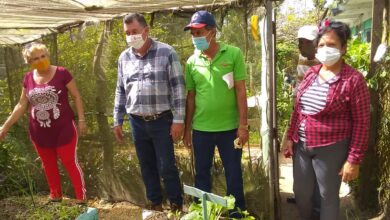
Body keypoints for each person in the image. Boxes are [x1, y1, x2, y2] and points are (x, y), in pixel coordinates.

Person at [283, 20, 370, 220]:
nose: (325, 49)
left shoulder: (353, 80)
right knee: (301, 193)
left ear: (343, 48)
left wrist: (353, 160)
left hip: (332, 147)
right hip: (302, 145)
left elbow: (362, 123)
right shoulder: (311, 74)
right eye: (321, 45)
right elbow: (299, 109)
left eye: (331, 45)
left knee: (327, 196)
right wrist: (290, 136)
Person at [113, 13, 186, 212]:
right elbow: (120, 89)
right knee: (146, 165)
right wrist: (117, 120)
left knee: (167, 166)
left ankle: (176, 205)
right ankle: (155, 205)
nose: (130, 36)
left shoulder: (166, 52)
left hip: (162, 120)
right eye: (127, 33)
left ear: (146, 31)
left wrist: (178, 120)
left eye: (134, 32)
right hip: (136, 121)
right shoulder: (124, 57)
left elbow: (178, 88)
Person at [0, 42, 87, 203]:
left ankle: (81, 198)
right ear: (29, 62)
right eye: (35, 59)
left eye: (43, 56)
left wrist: (81, 120)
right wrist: (5, 127)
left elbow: (76, 96)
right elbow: (21, 104)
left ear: (48, 56)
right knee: (48, 164)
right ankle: (55, 196)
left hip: (64, 128)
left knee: (69, 161)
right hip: (39, 131)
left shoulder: (62, 73)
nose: (40, 60)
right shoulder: (27, 78)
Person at [183, 11, 248, 215]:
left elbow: (240, 90)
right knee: (202, 175)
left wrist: (243, 125)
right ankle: (202, 215)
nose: (195, 37)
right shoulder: (191, 62)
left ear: (212, 32)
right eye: (192, 33)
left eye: (199, 32)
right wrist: (187, 130)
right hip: (201, 130)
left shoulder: (233, 54)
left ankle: (237, 215)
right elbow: (191, 98)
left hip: (230, 129)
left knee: (234, 175)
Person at [283, 25, 322, 218]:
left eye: (306, 43)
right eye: (299, 42)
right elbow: (299, 93)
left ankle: (315, 208)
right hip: (300, 118)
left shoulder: (326, 63)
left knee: (318, 174)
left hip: (319, 129)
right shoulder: (302, 60)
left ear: (317, 43)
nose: (301, 46)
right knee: (300, 169)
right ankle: (302, 199)